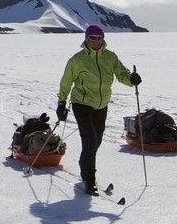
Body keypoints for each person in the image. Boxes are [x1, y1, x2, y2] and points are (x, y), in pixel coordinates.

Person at [54, 23, 139, 196]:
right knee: (90, 140)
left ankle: (84, 163)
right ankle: (89, 180)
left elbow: (121, 74)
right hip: (81, 104)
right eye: (92, 38)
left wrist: (132, 79)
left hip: (101, 105)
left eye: (99, 38)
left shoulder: (110, 57)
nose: (96, 41)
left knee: (97, 141)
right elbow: (66, 81)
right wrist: (61, 103)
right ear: (86, 39)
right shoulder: (77, 60)